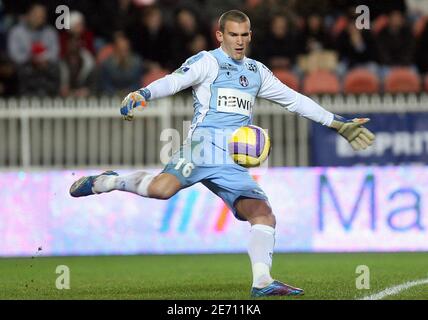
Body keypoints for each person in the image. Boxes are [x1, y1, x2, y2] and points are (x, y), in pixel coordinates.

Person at [70, 10, 375, 297]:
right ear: (220, 35)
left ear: (250, 36)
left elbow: (294, 100)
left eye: (244, 35)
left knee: (262, 213)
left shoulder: (257, 72)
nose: (239, 40)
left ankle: (262, 282)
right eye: (233, 34)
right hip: (203, 147)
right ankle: (108, 182)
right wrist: (144, 93)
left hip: (233, 159)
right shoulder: (207, 62)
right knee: (161, 190)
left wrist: (337, 123)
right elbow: (176, 80)